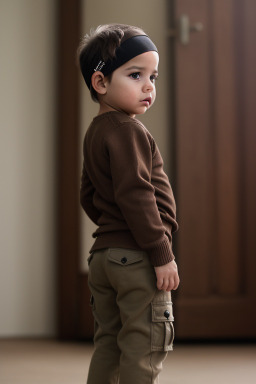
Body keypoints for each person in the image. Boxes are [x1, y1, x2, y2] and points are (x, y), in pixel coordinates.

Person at [77, 23, 180, 384]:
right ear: (101, 82)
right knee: (144, 345)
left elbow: (88, 196)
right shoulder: (129, 130)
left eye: (153, 75)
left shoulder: (97, 130)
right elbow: (137, 195)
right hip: (135, 255)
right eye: (135, 74)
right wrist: (160, 251)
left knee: (109, 342)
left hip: (104, 257)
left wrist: (110, 228)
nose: (149, 85)